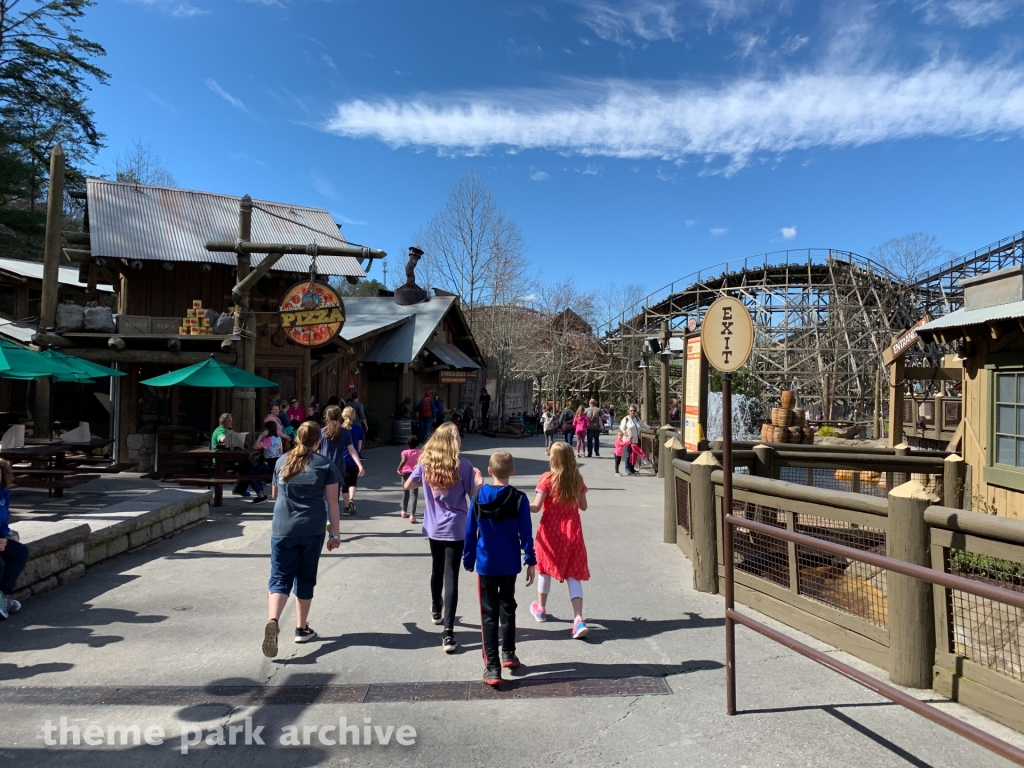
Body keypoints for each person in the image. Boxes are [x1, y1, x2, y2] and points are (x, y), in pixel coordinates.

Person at [262, 421, 343, 657]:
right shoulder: (325, 465)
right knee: (305, 578)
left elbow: (275, 494)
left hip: (283, 528)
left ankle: (274, 621)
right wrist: (335, 533)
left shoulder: (281, 461)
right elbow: (332, 503)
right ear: (319, 441)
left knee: (279, 577)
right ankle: (300, 628)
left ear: (297, 437)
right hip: (312, 529)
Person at [405, 423, 482, 653]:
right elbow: (473, 494)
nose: (461, 439)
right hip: (457, 527)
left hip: (434, 526)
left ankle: (436, 608)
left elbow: (409, 484)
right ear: (452, 441)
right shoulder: (464, 466)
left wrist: (424, 482)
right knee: (451, 576)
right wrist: (479, 481)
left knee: (436, 569)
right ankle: (448, 632)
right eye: (458, 436)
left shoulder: (426, 464)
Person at [463, 450, 536, 687]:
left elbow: (470, 532)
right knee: (508, 606)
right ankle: (508, 653)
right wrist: (531, 560)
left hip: (486, 563)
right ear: (512, 471)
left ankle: (492, 666)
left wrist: (468, 558)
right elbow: (525, 533)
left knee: (488, 614)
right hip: (509, 563)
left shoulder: (478, 497)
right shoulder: (520, 498)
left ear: (489, 471)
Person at [529, 442, 590, 640]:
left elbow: (537, 507)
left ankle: (541, 609)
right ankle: (578, 618)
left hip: (550, 530)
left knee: (545, 568)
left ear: (553, 459)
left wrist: (518, 503)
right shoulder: (577, 479)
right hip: (572, 530)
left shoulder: (547, 479)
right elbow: (583, 506)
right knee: (573, 574)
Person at [317, 405, 364, 523]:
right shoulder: (345, 432)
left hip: (323, 467)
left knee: (323, 496)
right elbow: (352, 450)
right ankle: (334, 525)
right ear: (340, 417)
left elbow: (316, 450)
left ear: (326, 417)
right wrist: (359, 465)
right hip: (338, 468)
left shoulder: (322, 432)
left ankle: (326, 519)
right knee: (334, 499)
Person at [0, 460, 27, 619]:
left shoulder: (4, 492)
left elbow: (4, 519)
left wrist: (3, 538)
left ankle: (3, 596)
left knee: (20, 552)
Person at [341, 406, 365, 516]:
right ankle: (351, 499)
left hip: (342, 461)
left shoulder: (339, 429)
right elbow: (359, 447)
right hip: (353, 460)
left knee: (344, 485)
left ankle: (346, 507)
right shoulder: (359, 429)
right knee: (353, 482)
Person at [396, 434, 422, 523]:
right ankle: (413, 515)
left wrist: (399, 468)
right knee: (414, 494)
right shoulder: (420, 451)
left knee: (405, 492)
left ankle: (404, 511)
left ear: (408, 443)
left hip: (405, 473)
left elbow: (403, 461)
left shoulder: (405, 452)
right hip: (415, 473)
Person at [619, 404, 648, 476]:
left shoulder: (637, 419)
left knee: (633, 455)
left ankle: (632, 469)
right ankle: (627, 469)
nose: (632, 412)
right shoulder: (625, 419)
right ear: (629, 411)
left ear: (636, 411)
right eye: (631, 410)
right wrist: (626, 435)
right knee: (628, 454)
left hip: (635, 440)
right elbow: (622, 428)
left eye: (634, 410)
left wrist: (652, 428)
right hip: (627, 440)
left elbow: (643, 425)